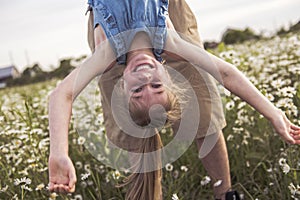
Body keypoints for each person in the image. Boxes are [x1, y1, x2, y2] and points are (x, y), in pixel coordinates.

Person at [48, 0, 300, 200]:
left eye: (138, 91)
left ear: (122, 85)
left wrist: (59, 153)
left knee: (141, 127)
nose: (145, 76)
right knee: (198, 107)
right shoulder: (170, 42)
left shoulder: (109, 53)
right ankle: (224, 194)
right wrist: (273, 113)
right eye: (156, 85)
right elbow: (225, 73)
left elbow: (62, 94)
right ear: (168, 72)